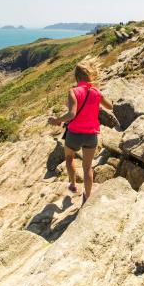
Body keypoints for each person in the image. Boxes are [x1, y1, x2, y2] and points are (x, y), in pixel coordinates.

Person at [48, 62, 113, 202]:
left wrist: (57, 120)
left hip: (74, 134)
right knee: (87, 167)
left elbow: (71, 114)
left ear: (77, 77)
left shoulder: (73, 91)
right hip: (91, 135)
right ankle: (87, 196)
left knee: (70, 157)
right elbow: (110, 106)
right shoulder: (96, 91)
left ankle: (72, 184)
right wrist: (99, 95)